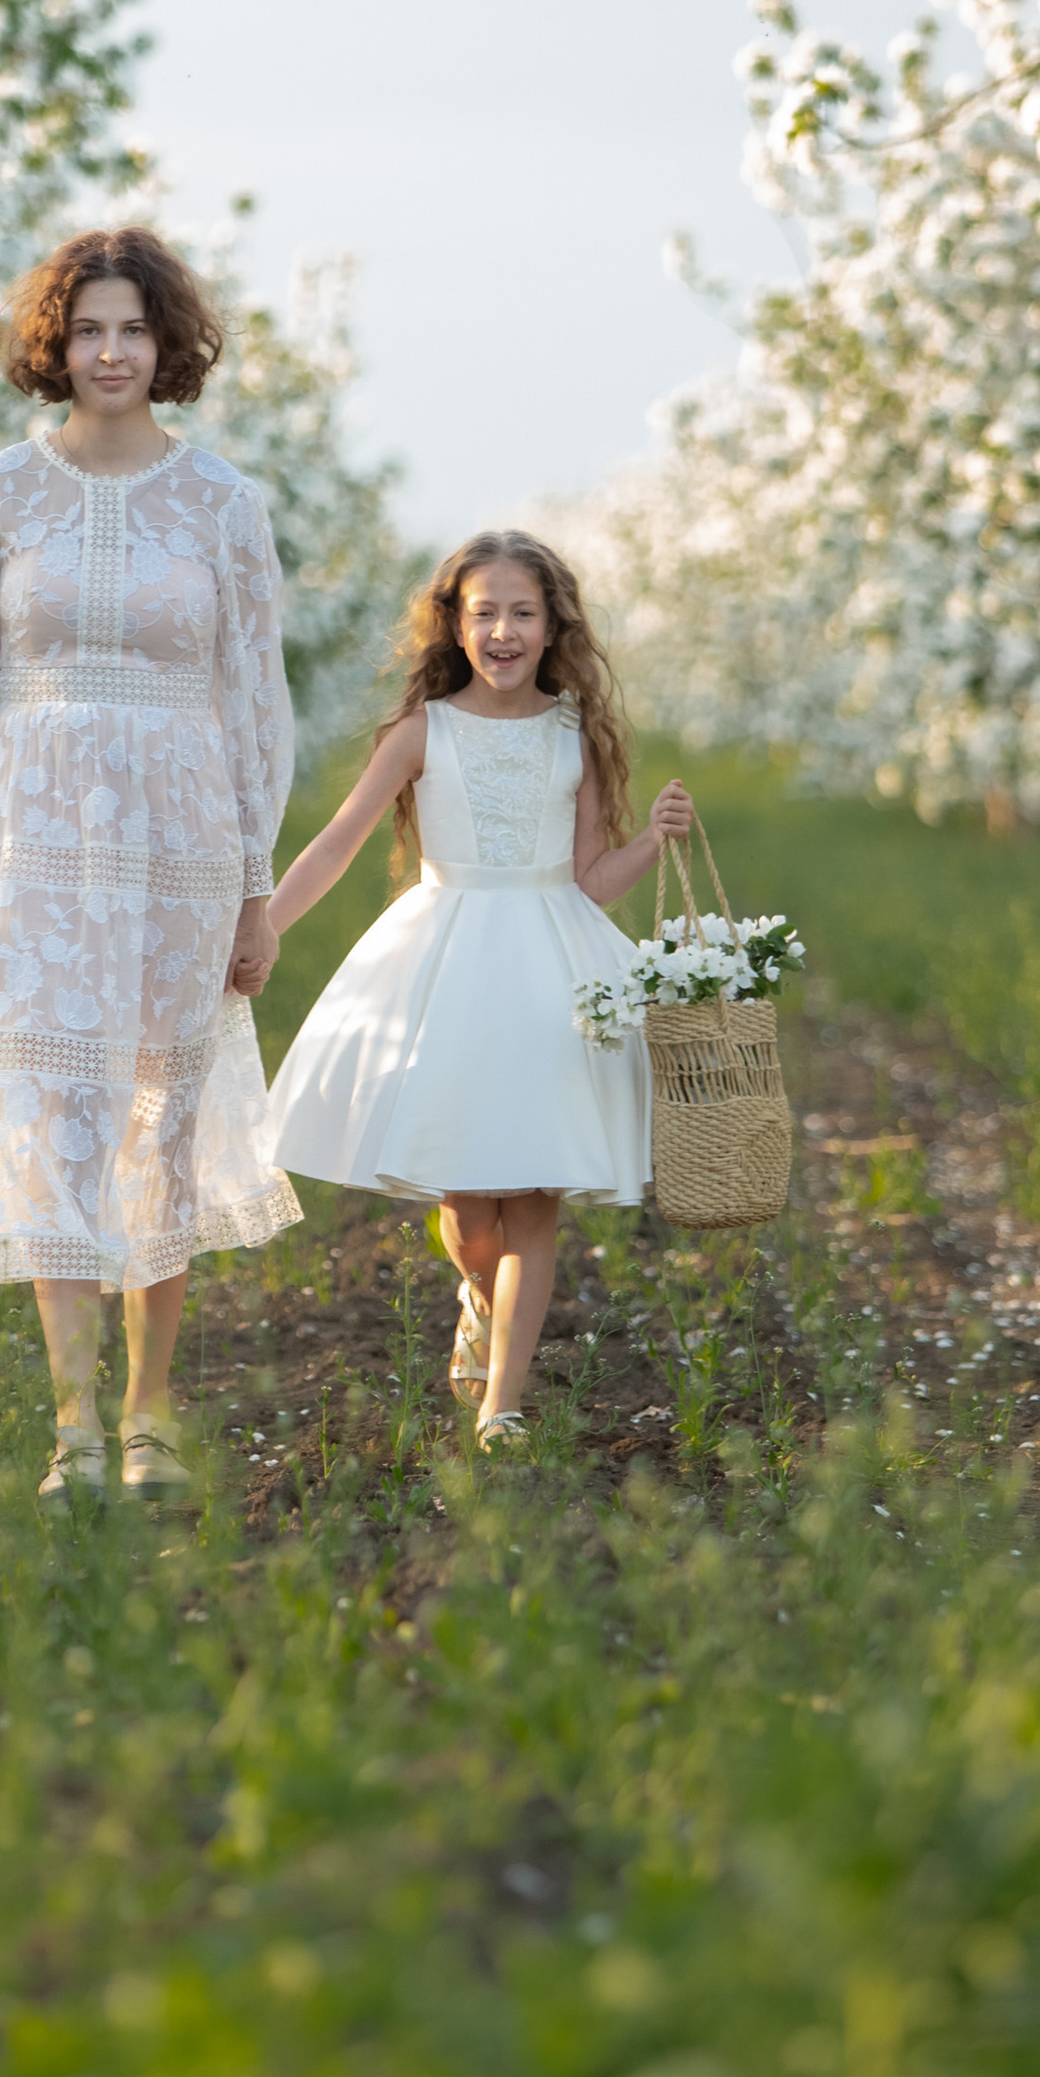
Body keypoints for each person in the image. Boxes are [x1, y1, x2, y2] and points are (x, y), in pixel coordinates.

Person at [0, 226, 300, 1505]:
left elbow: (254, 701)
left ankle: (147, 1416)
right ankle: (71, 1425)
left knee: (158, 1115)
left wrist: (258, 885)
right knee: (50, 1113)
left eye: (133, 329)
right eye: (88, 330)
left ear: (167, 342)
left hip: (183, 842)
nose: (111, 352)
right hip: (38, 842)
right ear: (53, 346)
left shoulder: (225, 505)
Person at [260, 532, 692, 1451]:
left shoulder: (574, 733)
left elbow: (588, 879)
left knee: (535, 1194)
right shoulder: (424, 732)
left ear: (551, 628)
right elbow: (339, 841)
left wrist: (651, 838)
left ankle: (504, 1401)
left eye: (522, 614)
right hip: (448, 963)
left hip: (552, 965)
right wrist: (263, 923)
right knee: (467, 1206)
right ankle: (476, 1294)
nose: (502, 630)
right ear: (454, 625)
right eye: (483, 612)